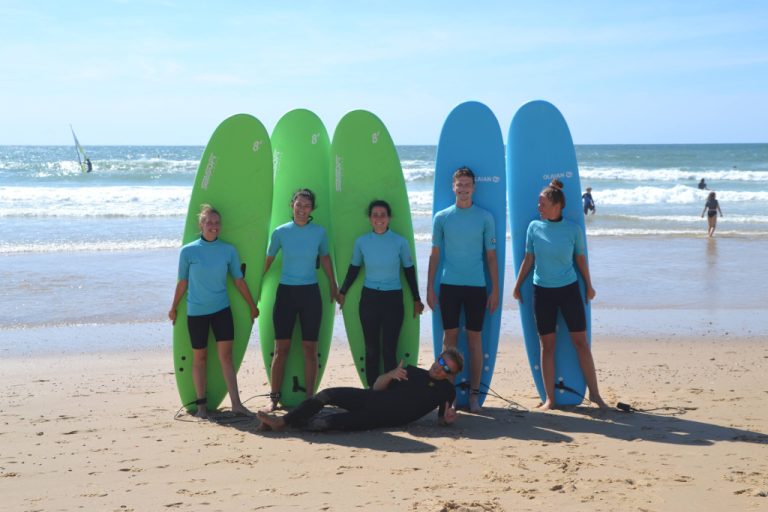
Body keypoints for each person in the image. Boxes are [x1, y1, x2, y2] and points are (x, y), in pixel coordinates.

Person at [512, 179, 609, 411]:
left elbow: (580, 260)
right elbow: (528, 259)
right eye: (539, 203)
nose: (538, 207)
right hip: (542, 292)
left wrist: (589, 285)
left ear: (556, 205)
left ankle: (595, 395)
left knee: (581, 343)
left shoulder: (573, 229)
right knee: (547, 345)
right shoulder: (534, 227)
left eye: (542, 203)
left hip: (569, 291)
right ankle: (550, 399)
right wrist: (517, 285)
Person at [168, 204, 258, 419]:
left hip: (221, 310)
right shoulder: (188, 251)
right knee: (200, 358)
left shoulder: (228, 250)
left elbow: (238, 280)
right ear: (201, 224)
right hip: (196, 312)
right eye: (209, 222)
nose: (213, 226)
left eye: (217, 223)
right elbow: (182, 282)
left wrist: (251, 305)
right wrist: (173, 307)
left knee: (226, 357)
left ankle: (236, 404)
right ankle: (201, 407)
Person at [426, 166, 499, 413]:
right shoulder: (442, 217)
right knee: (450, 341)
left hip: (477, 286)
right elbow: (435, 256)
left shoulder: (485, 217)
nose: (464, 189)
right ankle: (448, 395)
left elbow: (491, 257)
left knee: (474, 339)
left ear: (474, 187)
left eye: (468, 185)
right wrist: (429, 288)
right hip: (449, 286)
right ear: (453, 187)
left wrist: (495, 289)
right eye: (460, 185)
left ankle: (475, 395)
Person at [256, 349, 463, 431]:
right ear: (438, 358)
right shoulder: (412, 370)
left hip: (381, 419)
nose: (439, 367)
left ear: (449, 374)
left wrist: (448, 419)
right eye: (441, 361)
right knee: (327, 394)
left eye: (446, 368)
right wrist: (391, 374)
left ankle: (291, 423)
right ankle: (281, 421)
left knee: (325, 423)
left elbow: (443, 418)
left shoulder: (446, 391)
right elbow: (377, 386)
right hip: (370, 398)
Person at [264, 188, 339, 411]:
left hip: (310, 294)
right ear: (292, 205)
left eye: (307, 206)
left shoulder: (319, 233)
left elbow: (325, 259)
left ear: (312, 209)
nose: (302, 210)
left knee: (309, 348)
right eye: (299, 205)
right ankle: (274, 398)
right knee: (281, 349)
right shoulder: (280, 232)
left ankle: (309, 399)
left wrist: (333, 286)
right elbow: (267, 260)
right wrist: (254, 288)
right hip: (286, 293)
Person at [337, 200, 424, 387]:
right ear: (369, 218)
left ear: (389, 218)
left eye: (382, 215)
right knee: (371, 349)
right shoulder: (362, 242)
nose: (379, 219)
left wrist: (416, 298)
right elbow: (354, 268)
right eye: (375, 215)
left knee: (389, 350)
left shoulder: (400, 242)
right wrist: (342, 291)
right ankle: (372, 391)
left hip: (393, 299)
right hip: (369, 299)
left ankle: (389, 393)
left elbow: (409, 271)